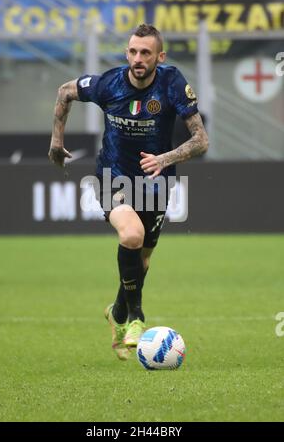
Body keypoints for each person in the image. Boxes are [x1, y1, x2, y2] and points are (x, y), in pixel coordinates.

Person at [48, 24, 209, 361]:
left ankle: (118, 312)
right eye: (133, 51)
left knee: (144, 260)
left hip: (156, 182)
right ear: (127, 53)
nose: (138, 58)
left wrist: (164, 159)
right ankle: (136, 318)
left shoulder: (172, 83)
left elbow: (200, 140)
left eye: (146, 53)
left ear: (159, 57)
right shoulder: (109, 84)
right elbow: (65, 92)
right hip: (113, 177)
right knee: (132, 236)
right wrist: (56, 141)